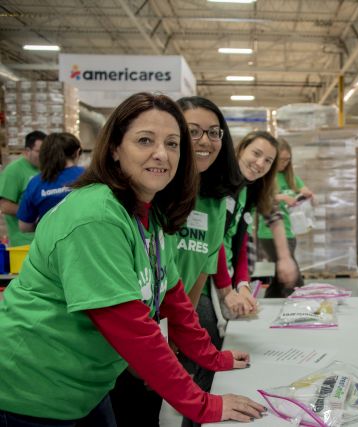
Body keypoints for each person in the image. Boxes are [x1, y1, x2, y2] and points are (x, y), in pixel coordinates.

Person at [0, 92, 266, 426]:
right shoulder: (95, 216)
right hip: (29, 390)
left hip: (84, 388)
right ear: (114, 148)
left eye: (172, 144)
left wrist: (213, 357)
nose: (161, 154)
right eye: (144, 140)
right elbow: (130, 326)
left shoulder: (149, 215)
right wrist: (203, 405)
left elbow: (173, 298)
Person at [108, 96, 252, 427]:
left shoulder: (211, 202)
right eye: (191, 132)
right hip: (113, 341)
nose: (205, 141)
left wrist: (182, 344)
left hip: (152, 327)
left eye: (214, 132)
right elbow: (122, 311)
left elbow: (185, 278)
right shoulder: (138, 200)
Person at [222, 130, 299, 300]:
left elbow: (271, 217)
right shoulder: (221, 185)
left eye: (268, 161)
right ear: (242, 149)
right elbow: (216, 243)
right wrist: (227, 289)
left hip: (231, 278)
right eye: (256, 153)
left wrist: (242, 284)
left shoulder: (253, 187)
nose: (260, 163)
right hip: (215, 282)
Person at [256, 138, 310, 294]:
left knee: (281, 276)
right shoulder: (266, 175)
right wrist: (282, 197)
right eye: (281, 160)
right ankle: (300, 305)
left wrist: (306, 194)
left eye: (288, 160)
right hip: (269, 233)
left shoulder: (290, 177)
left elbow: (304, 189)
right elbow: (261, 199)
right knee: (293, 278)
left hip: (289, 230)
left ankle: (271, 302)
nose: (284, 163)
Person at [17, 132, 84, 232]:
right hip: (85, 241)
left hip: (50, 243)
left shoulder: (36, 183)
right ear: (77, 152)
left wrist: (47, 226)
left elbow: (24, 226)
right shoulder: (88, 176)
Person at [0, 130, 45, 245]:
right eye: (39, 151)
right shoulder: (14, 171)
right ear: (27, 151)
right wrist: (33, 214)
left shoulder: (47, 169)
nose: (43, 155)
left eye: (46, 151)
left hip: (44, 240)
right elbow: (4, 206)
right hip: (24, 242)